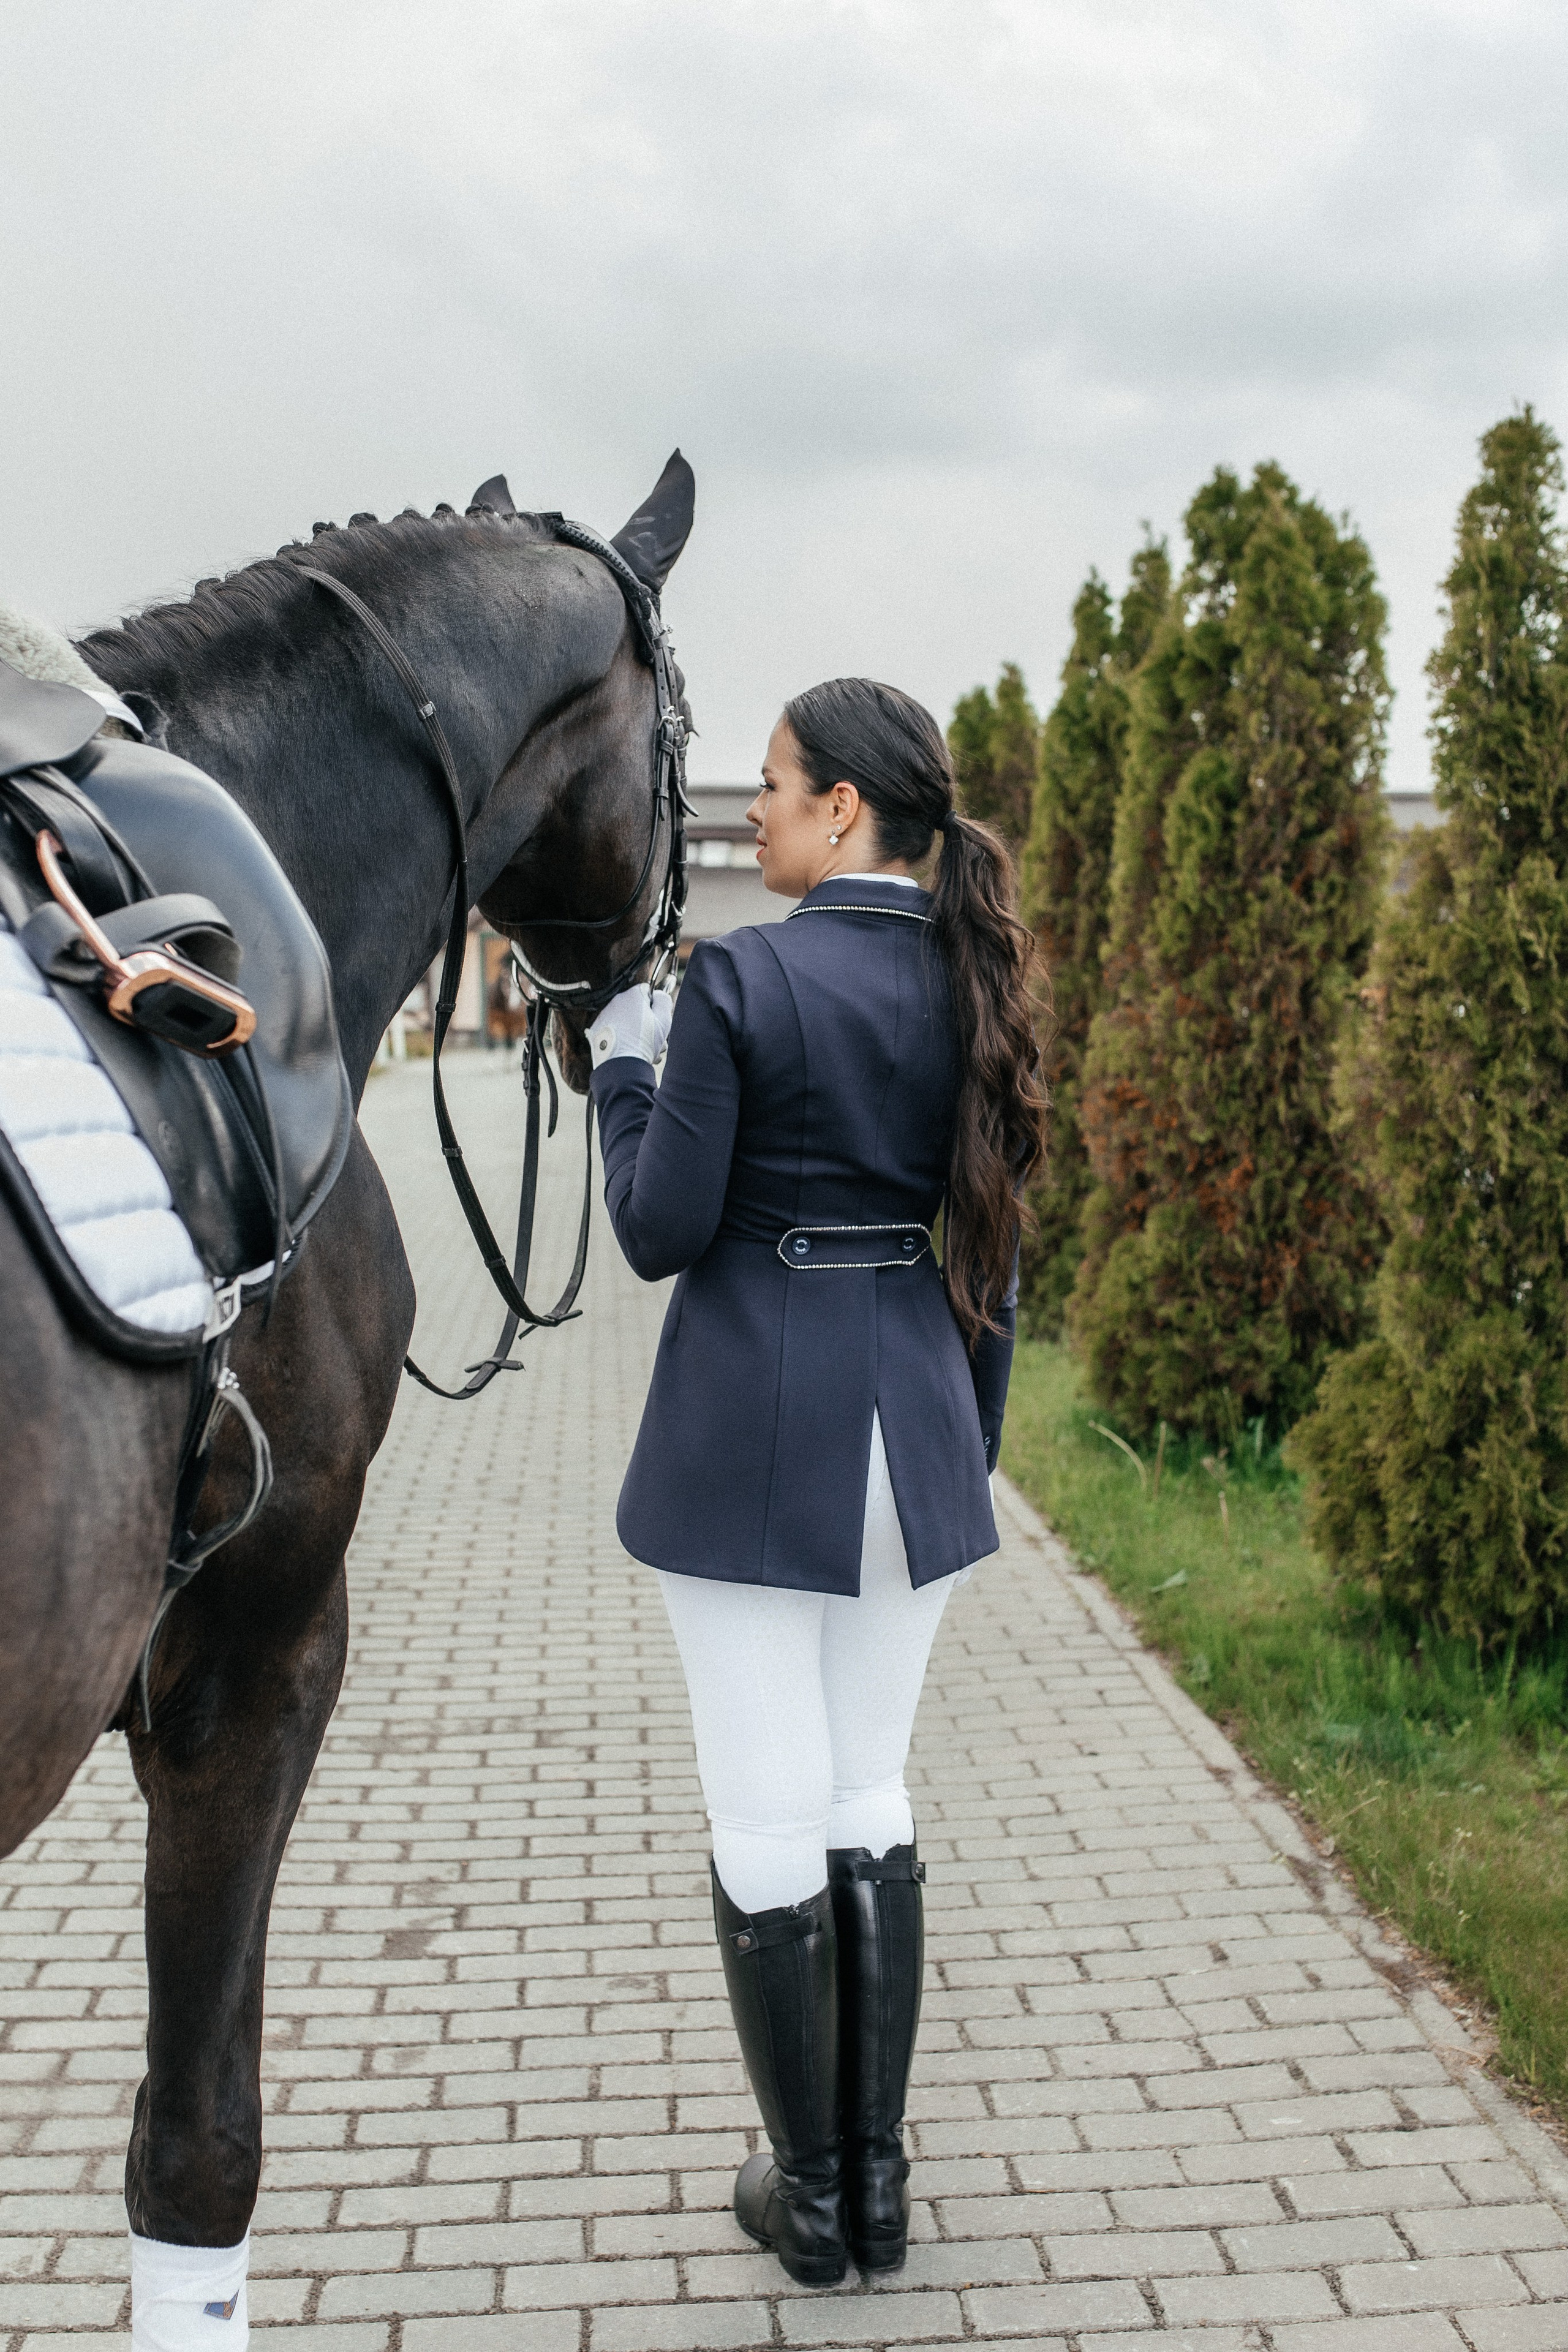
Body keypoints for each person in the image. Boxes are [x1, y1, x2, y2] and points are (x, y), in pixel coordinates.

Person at [586, 677, 1045, 2286]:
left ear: (844, 806)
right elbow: (996, 1250)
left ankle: (819, 2204)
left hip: (749, 1429)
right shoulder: (973, 970)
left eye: (772, 786)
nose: (755, 811)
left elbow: (656, 1227)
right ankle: (879, 2189)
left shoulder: (741, 979)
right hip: (910, 1426)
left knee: (769, 1812)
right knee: (867, 1793)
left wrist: (619, 1067)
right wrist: (960, 1455)